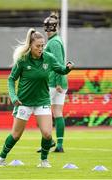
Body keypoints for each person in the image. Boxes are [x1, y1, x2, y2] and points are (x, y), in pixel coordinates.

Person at [0, 28, 74, 168]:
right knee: (16, 135)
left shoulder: (48, 57)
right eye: (38, 46)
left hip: (42, 101)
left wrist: (68, 68)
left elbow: (60, 69)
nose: (41, 48)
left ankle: (44, 161)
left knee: (47, 134)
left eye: (43, 45)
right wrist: (14, 97)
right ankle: (1, 158)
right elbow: (11, 79)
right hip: (24, 102)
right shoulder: (22, 60)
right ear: (30, 46)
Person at [44, 13, 68, 152]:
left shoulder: (53, 42)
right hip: (59, 82)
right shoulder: (57, 40)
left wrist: (58, 82)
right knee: (57, 112)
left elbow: (58, 63)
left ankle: (49, 142)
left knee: (42, 111)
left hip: (54, 82)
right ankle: (59, 145)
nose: (47, 31)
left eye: (48, 28)